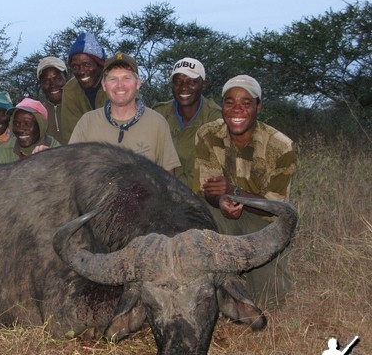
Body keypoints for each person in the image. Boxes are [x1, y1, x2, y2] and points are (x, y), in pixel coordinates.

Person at [193, 75, 297, 308]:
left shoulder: (281, 145)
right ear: (222, 106)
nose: (237, 109)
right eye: (229, 102)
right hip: (220, 213)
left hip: (263, 221)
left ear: (258, 107)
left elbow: (277, 209)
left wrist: (232, 191)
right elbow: (207, 190)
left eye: (246, 103)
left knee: (272, 301)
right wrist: (220, 200)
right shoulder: (207, 134)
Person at [69, 53, 180, 175]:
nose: (120, 85)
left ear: (138, 83)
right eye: (113, 79)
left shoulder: (157, 123)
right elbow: (71, 169)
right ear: (104, 85)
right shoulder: (87, 122)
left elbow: (168, 177)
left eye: (126, 78)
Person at [152, 57, 222, 188]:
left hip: (200, 195)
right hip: (161, 191)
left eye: (192, 82)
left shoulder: (215, 118)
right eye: (178, 82)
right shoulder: (159, 113)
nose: (184, 88)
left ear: (204, 84)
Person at [60, 31, 109, 143]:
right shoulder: (70, 90)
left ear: (100, 65)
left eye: (87, 64)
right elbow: (71, 136)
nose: (81, 71)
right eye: (75, 67)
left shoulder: (116, 85)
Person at [0, 98, 60, 163]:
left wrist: (52, 158)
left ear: (41, 126)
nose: (20, 130)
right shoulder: (1, 153)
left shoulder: (56, 150)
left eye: (28, 124)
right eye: (16, 124)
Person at [37, 56, 68, 144]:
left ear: (66, 77)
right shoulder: (37, 114)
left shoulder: (80, 105)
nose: (52, 85)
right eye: (46, 81)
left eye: (57, 78)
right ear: (41, 84)